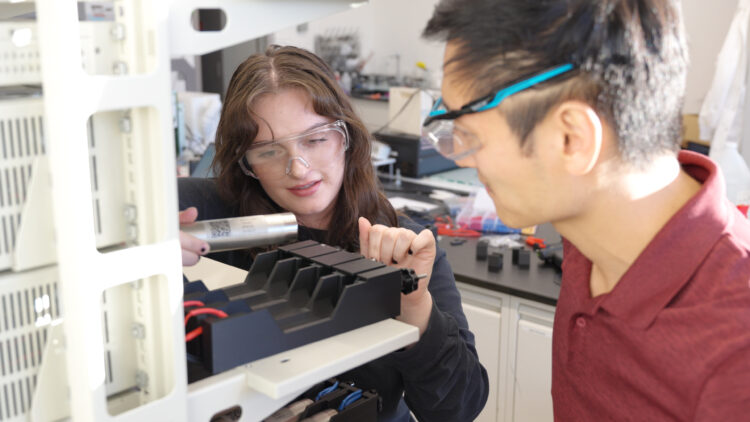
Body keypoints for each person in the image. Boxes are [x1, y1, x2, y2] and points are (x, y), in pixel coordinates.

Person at [422, 0, 750, 420]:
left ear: (571, 139)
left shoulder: (733, 356)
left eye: (467, 133)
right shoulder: (589, 233)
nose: (460, 158)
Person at [178, 45, 488, 421]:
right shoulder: (204, 215)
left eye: (315, 139)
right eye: (269, 151)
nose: (298, 167)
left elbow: (458, 409)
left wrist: (415, 310)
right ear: (246, 162)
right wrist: (138, 254)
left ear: (346, 137)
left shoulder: (401, 245)